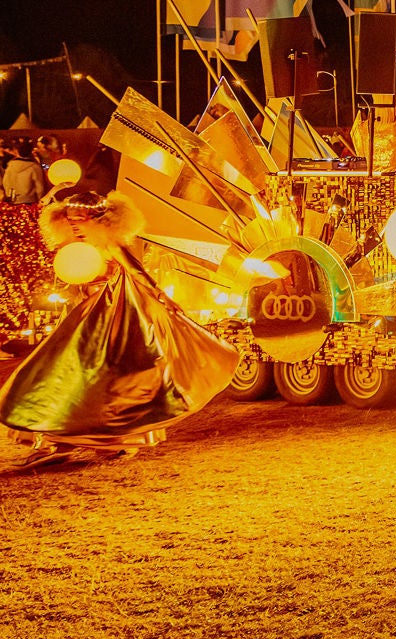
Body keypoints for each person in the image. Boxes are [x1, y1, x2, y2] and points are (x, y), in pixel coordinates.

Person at [2, 191, 238, 467]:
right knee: (65, 376)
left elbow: (138, 273)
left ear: (99, 219)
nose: (76, 224)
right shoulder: (76, 245)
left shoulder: (110, 243)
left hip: (114, 316)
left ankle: (95, 440)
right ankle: (65, 440)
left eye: (82, 219)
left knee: (103, 382)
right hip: (85, 315)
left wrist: (164, 298)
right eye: (70, 219)